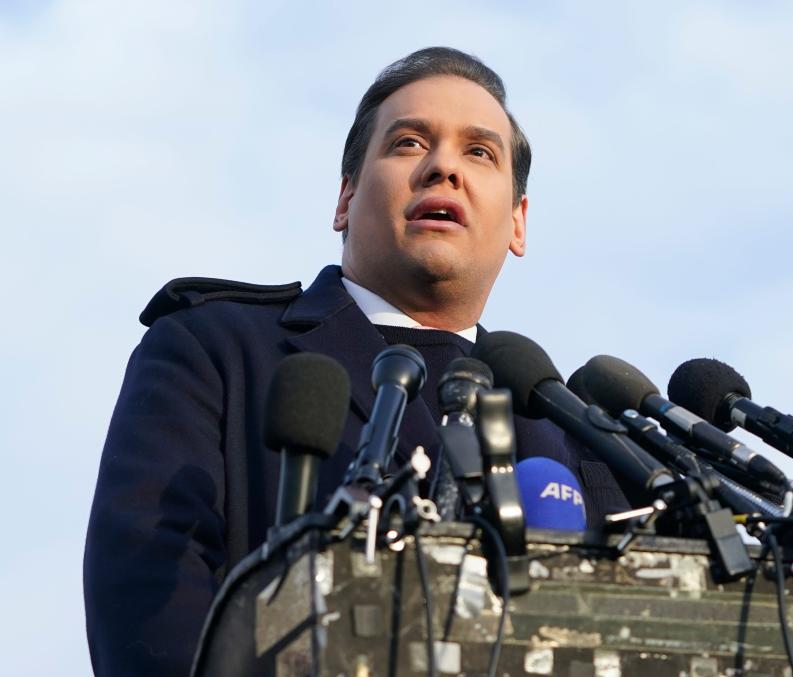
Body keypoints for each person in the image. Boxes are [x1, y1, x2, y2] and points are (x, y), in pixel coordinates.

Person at [83, 46, 629, 676]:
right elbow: (149, 604)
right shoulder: (216, 350)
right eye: (408, 143)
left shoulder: (581, 433)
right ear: (344, 198)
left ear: (518, 222)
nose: (444, 167)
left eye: (479, 152)